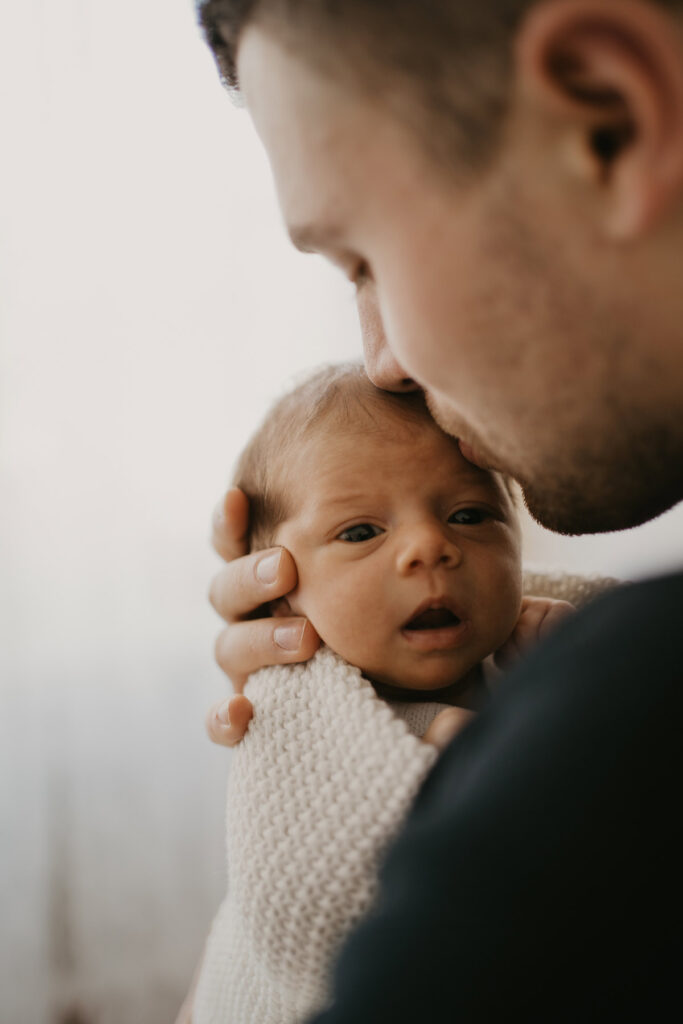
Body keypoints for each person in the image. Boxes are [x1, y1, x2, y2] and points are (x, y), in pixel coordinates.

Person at [194, 1, 683, 1019]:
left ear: (611, 118)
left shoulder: (627, 732)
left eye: (364, 259)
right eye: (358, 531)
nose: (381, 361)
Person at [187, 362, 586, 1024]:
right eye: (361, 531)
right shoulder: (321, 726)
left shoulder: (538, 653)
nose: (429, 546)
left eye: (468, 514)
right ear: (276, 591)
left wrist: (565, 664)